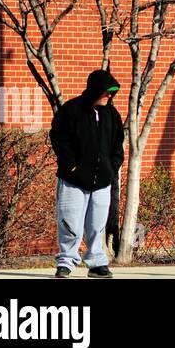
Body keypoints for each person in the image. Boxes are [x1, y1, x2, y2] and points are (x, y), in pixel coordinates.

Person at [49, 69, 124, 277]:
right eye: (107, 92)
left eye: (112, 92)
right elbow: (58, 138)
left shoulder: (112, 115)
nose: (110, 95)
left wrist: (112, 168)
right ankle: (66, 262)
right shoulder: (71, 110)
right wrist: (71, 165)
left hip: (102, 181)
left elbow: (118, 145)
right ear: (95, 90)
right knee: (69, 222)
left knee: (97, 225)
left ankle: (97, 263)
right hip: (73, 180)